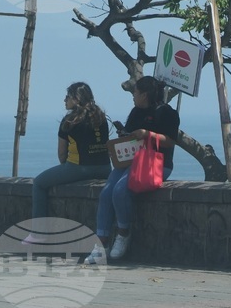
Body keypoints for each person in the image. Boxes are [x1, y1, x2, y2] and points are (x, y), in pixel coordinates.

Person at [84, 75, 180, 265]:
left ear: (145, 94)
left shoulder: (166, 113)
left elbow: (170, 141)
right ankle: (101, 243)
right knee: (106, 192)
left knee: (120, 190)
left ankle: (123, 232)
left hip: (155, 162)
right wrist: (125, 135)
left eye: (135, 93)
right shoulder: (136, 112)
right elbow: (130, 135)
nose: (133, 96)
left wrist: (147, 135)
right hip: (131, 160)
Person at [25, 82, 111, 243]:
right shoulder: (101, 117)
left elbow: (61, 153)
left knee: (38, 183)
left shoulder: (70, 120)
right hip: (105, 168)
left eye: (67, 97)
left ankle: (38, 233)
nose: (64, 100)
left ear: (76, 99)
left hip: (80, 168)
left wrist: (66, 168)